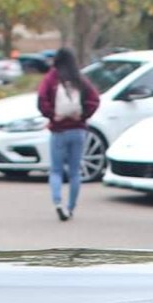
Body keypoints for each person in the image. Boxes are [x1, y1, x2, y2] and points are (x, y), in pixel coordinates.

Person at [37, 48, 99, 222]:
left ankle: (58, 202)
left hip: (59, 130)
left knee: (56, 170)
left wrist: (52, 115)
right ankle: (71, 208)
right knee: (74, 172)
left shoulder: (51, 78)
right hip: (78, 130)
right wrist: (83, 115)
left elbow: (41, 99)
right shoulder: (79, 78)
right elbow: (94, 99)